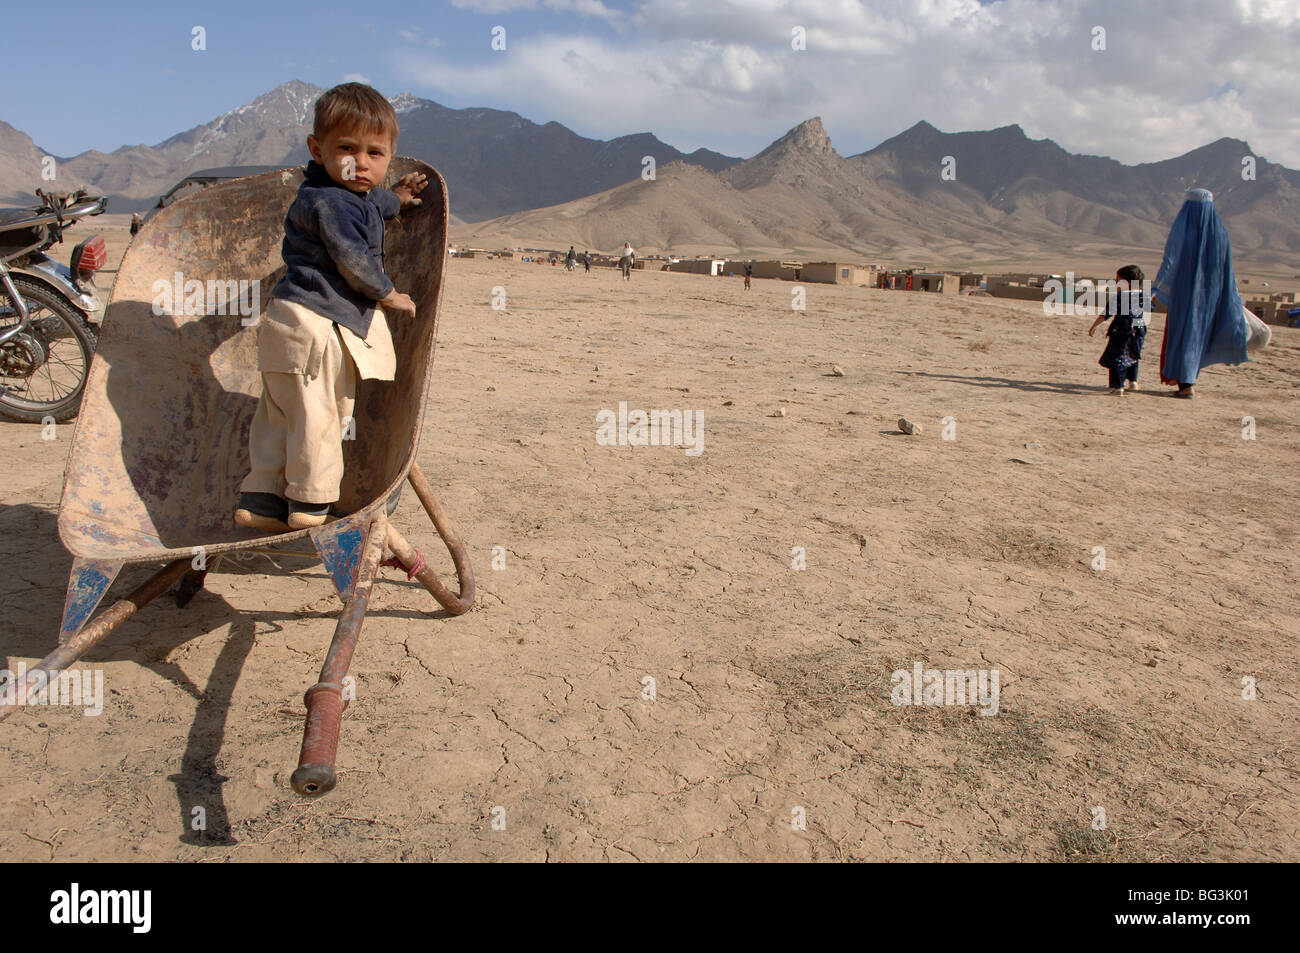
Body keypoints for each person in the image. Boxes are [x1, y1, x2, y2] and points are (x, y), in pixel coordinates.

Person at [234, 82, 428, 531]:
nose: (360, 163)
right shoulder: (332, 203)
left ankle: (262, 496)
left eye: (374, 154)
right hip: (317, 329)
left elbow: (370, 201)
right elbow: (351, 256)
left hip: (286, 323)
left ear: (389, 158)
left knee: (280, 413)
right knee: (323, 415)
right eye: (346, 149)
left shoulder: (336, 193)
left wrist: (394, 199)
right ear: (317, 150)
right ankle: (310, 503)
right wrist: (387, 292)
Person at [1152, 188, 1249, 399]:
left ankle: (1186, 385)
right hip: (1212, 296)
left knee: (1185, 334)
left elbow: (1170, 259)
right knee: (1198, 335)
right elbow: (1228, 270)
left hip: (1185, 295)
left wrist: (1157, 287)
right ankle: (1188, 381)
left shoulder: (1184, 228)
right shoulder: (1221, 233)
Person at [1089, 265, 1148, 395]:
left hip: (1122, 330)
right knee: (1132, 354)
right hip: (1138, 330)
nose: (1116, 283)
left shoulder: (1121, 297)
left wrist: (1094, 325)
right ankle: (1133, 382)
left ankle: (1118, 386)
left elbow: (1106, 313)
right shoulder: (1143, 296)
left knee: (1117, 357)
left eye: (1118, 280)